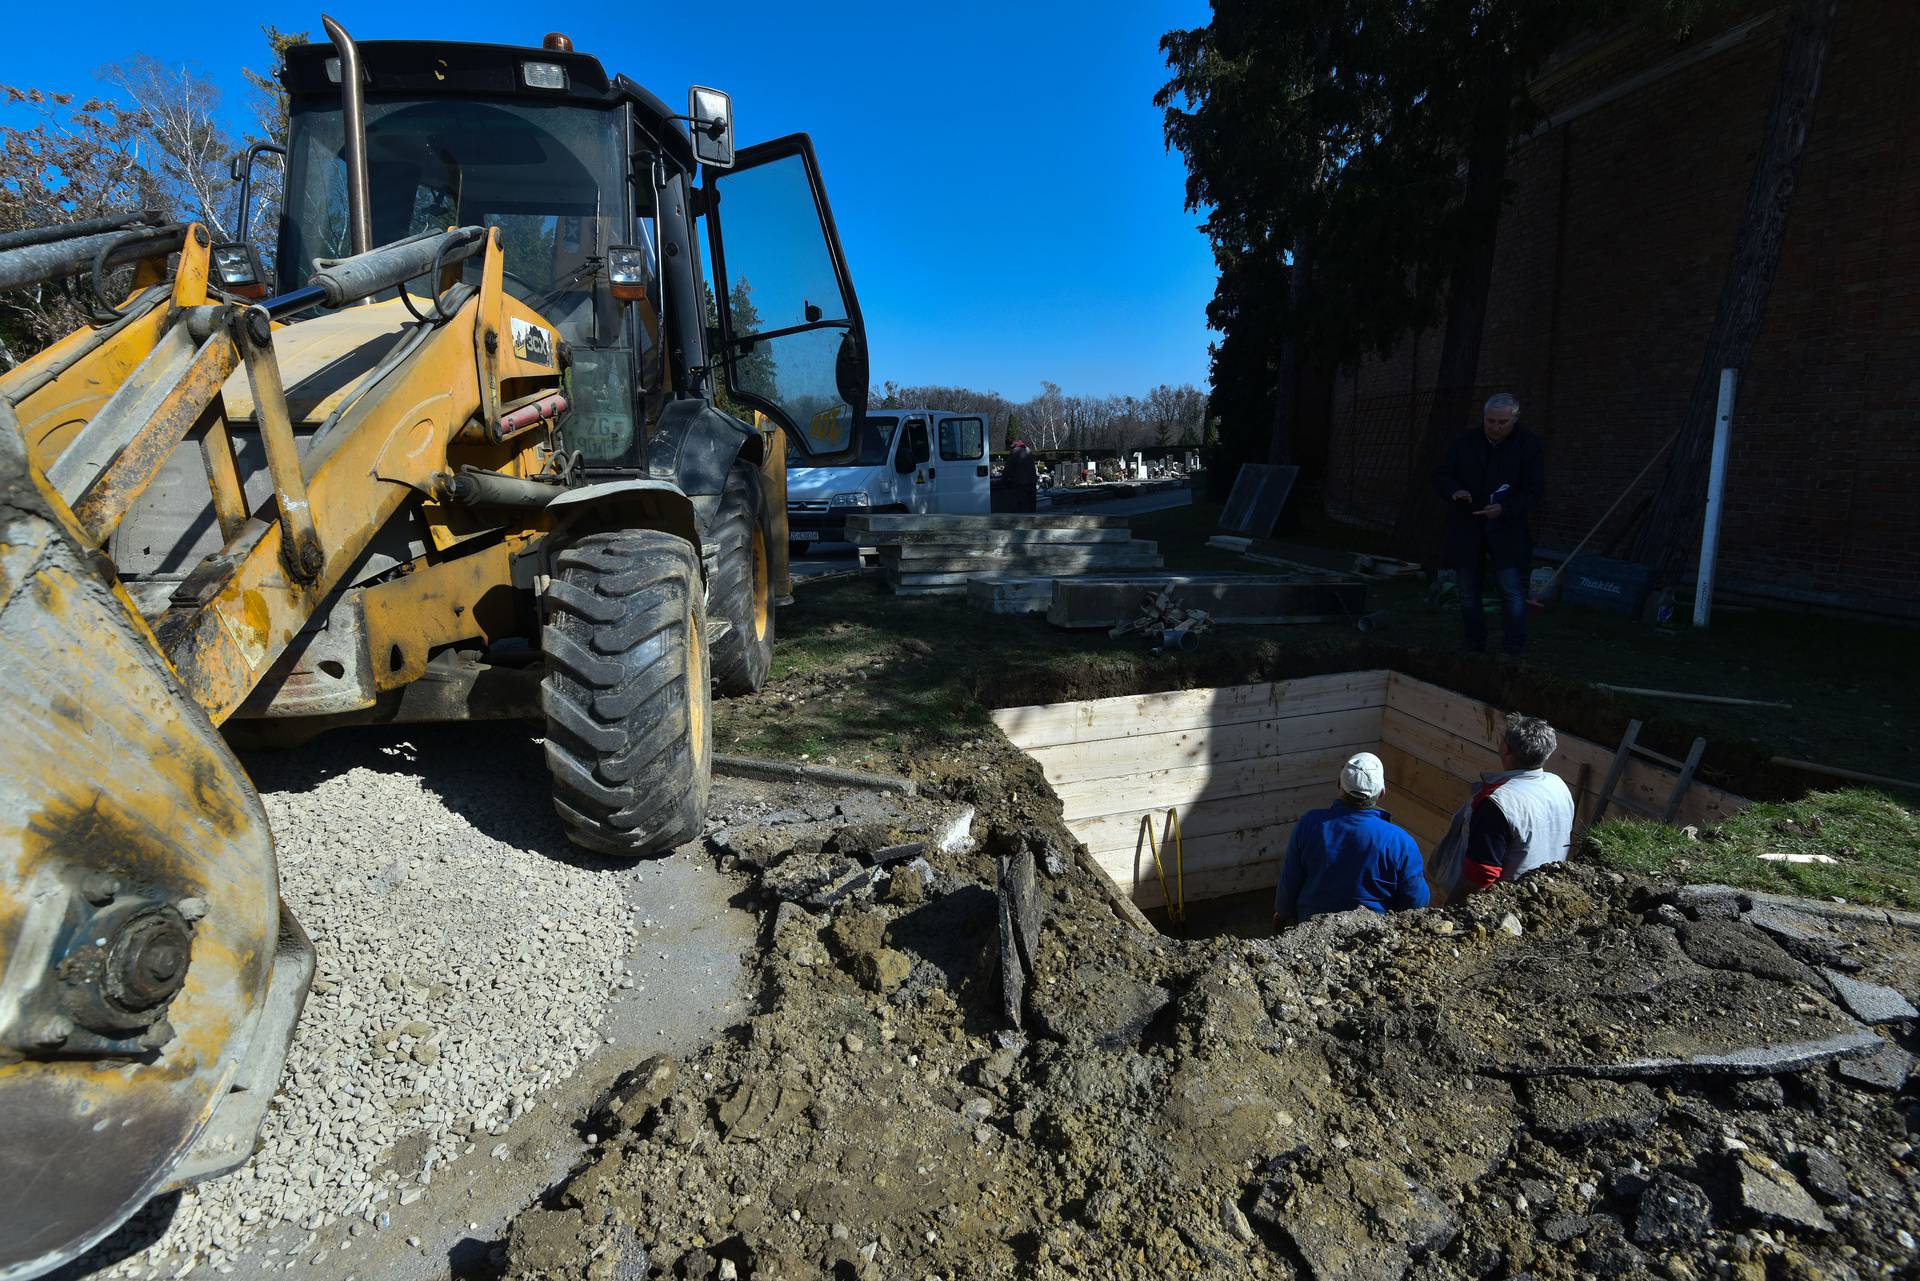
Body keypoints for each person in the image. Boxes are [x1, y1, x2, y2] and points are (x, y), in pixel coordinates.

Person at [1433, 392, 1546, 656]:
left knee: (1510, 588)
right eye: (1491, 421)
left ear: (1514, 419)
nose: (1496, 427)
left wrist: (1505, 509)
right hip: (1467, 525)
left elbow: (1534, 490)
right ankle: (1474, 642)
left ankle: (1513, 646)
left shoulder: (1529, 446)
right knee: (1467, 589)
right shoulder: (1465, 442)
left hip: (1507, 528)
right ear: (1483, 418)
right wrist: (1455, 491)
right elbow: (1442, 474)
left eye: (1502, 422)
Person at [1272, 752, 1430, 931]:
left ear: (1339, 784)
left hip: (1312, 930)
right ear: (1382, 793)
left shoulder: (1309, 824)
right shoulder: (1401, 842)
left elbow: (1290, 879)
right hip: (1372, 935)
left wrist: (1282, 914)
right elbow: (1415, 901)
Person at [1430, 713, 1575, 901]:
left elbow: (1481, 874)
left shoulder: (1499, 803)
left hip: (1502, 904)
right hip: (1540, 896)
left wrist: (1449, 909)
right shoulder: (1558, 785)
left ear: (1506, 750)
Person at [1004, 439, 1038, 513]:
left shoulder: (1015, 452)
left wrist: (1004, 478)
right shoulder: (1027, 449)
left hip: (1021, 484)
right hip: (1032, 482)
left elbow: (1008, 468)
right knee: (1031, 506)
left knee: (1022, 507)